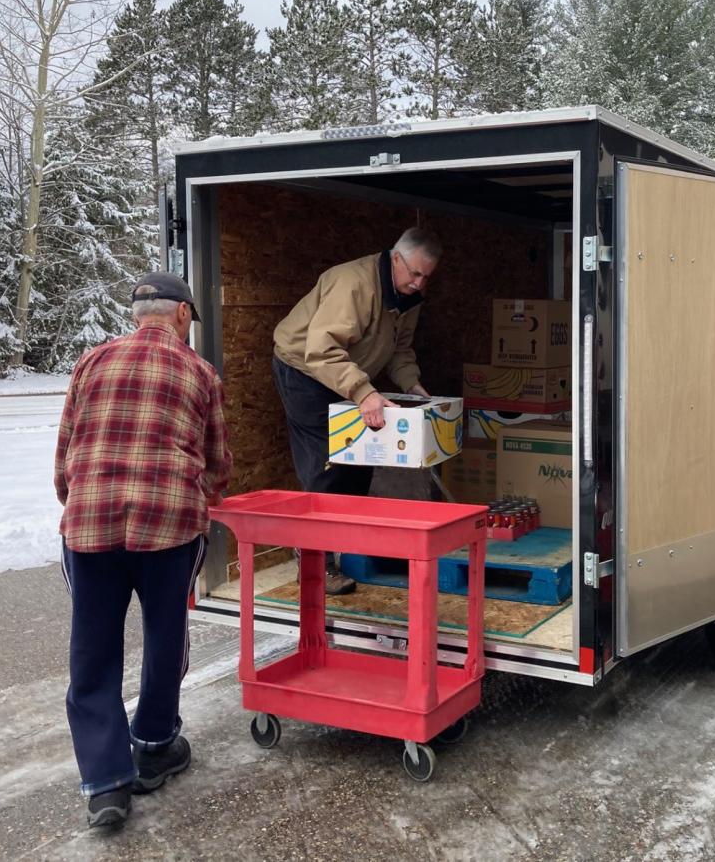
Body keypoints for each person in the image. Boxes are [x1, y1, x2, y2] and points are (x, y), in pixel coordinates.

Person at [55, 271, 233, 828]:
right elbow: (218, 463)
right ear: (181, 314)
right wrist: (198, 501)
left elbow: (65, 454)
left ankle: (107, 784)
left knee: (93, 648)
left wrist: (81, 502)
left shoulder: (91, 362)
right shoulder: (201, 373)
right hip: (169, 531)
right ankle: (154, 747)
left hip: (91, 526)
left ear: (138, 314)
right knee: (165, 635)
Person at [272, 227, 441, 594]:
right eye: (414, 273)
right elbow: (321, 351)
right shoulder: (352, 285)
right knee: (325, 464)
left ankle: (347, 548)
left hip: (348, 373)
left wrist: (412, 385)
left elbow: (400, 349)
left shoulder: (408, 295)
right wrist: (364, 392)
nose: (419, 282)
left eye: (426, 276)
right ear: (396, 258)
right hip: (306, 370)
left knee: (361, 457)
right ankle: (315, 561)